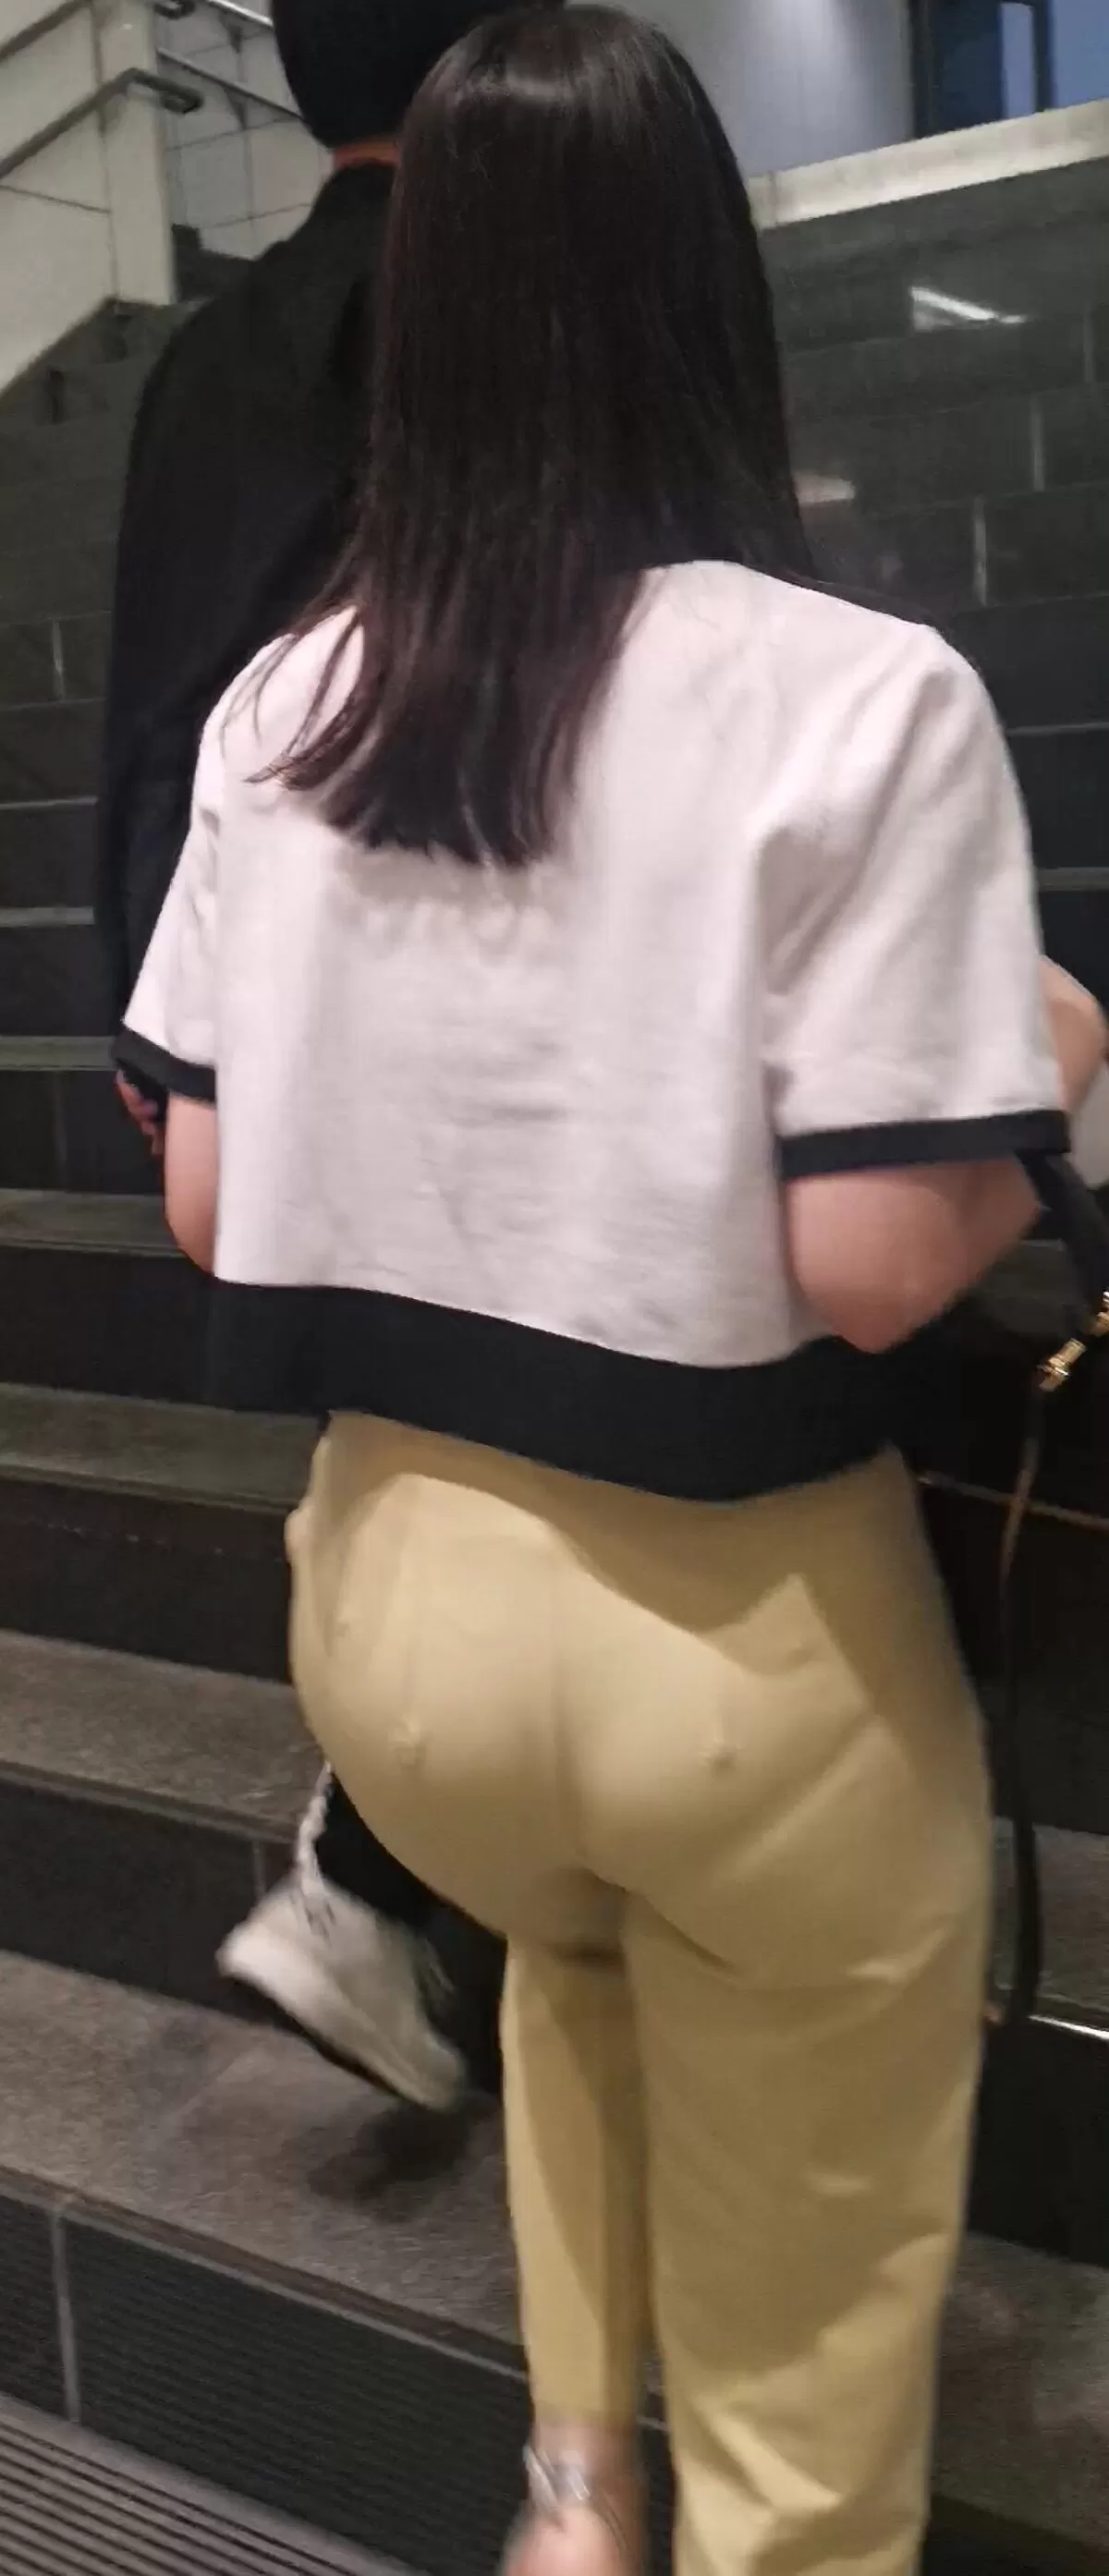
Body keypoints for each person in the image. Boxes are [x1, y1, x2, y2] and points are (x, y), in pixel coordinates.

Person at [118, 9, 1107, 2573]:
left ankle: (574, 2481)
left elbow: (208, 1198)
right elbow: (873, 1267)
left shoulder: (284, 703)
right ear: (712, 291)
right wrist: (1053, 1061)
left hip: (395, 1636)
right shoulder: (857, 695)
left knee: (569, 1965)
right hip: (737, 1645)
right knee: (814, 2362)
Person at [96, 0, 544, 2107]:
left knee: (389, 1402)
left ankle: (382, 1847)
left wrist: (139, 993)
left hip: (212, 942)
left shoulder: (200, 350)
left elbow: (146, 691)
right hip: (406, 918)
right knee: (480, 1385)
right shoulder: (474, 323)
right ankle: (383, 1856)